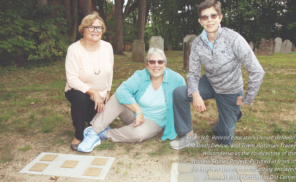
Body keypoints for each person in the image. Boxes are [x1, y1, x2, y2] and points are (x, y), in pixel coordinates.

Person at [169, 0, 265, 149]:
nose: (209, 20)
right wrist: (195, 94)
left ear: (220, 17)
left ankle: (233, 114)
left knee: (224, 139)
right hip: (210, 82)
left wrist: (247, 99)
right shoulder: (197, 43)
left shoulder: (234, 39)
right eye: (205, 17)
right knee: (179, 93)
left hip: (230, 89)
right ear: (200, 21)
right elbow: (193, 73)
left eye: (213, 15)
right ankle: (188, 136)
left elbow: (257, 71)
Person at [77, 48, 186, 152]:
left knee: (139, 134)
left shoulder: (177, 80)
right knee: (118, 96)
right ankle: (93, 131)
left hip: (154, 121)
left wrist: (183, 128)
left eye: (160, 62)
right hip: (134, 114)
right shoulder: (141, 75)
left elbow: (183, 104)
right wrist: (138, 110)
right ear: (147, 65)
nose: (156, 65)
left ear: (165, 65)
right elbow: (122, 91)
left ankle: (104, 134)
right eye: (152, 62)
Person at [64, 11, 114, 151]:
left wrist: (107, 92)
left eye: (98, 27)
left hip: (100, 95)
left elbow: (110, 71)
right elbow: (72, 79)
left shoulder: (107, 47)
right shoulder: (74, 49)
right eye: (91, 27)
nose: (95, 30)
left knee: (94, 123)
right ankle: (79, 135)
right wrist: (94, 93)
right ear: (83, 30)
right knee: (80, 100)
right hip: (78, 90)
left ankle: (90, 119)